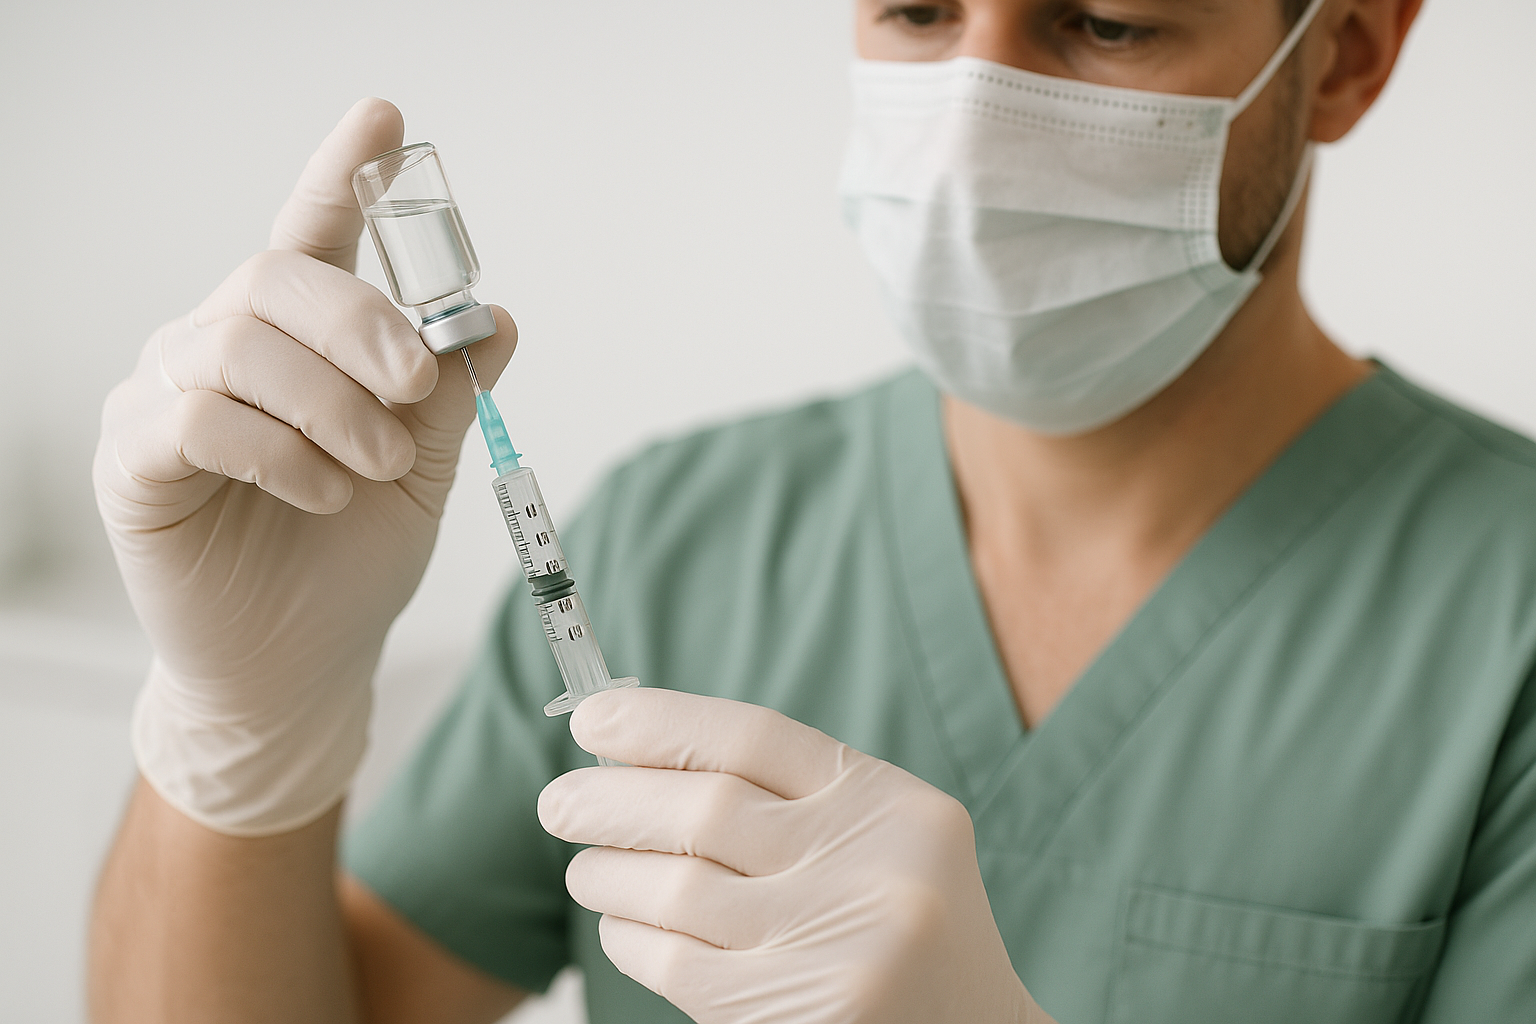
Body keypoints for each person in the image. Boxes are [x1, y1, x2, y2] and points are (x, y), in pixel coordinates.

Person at [88, 0, 1536, 1021]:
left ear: (1342, 54)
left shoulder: (1501, 614)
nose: (973, 115)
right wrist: (236, 734)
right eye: (915, 11)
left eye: (1101, 22)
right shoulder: (679, 534)